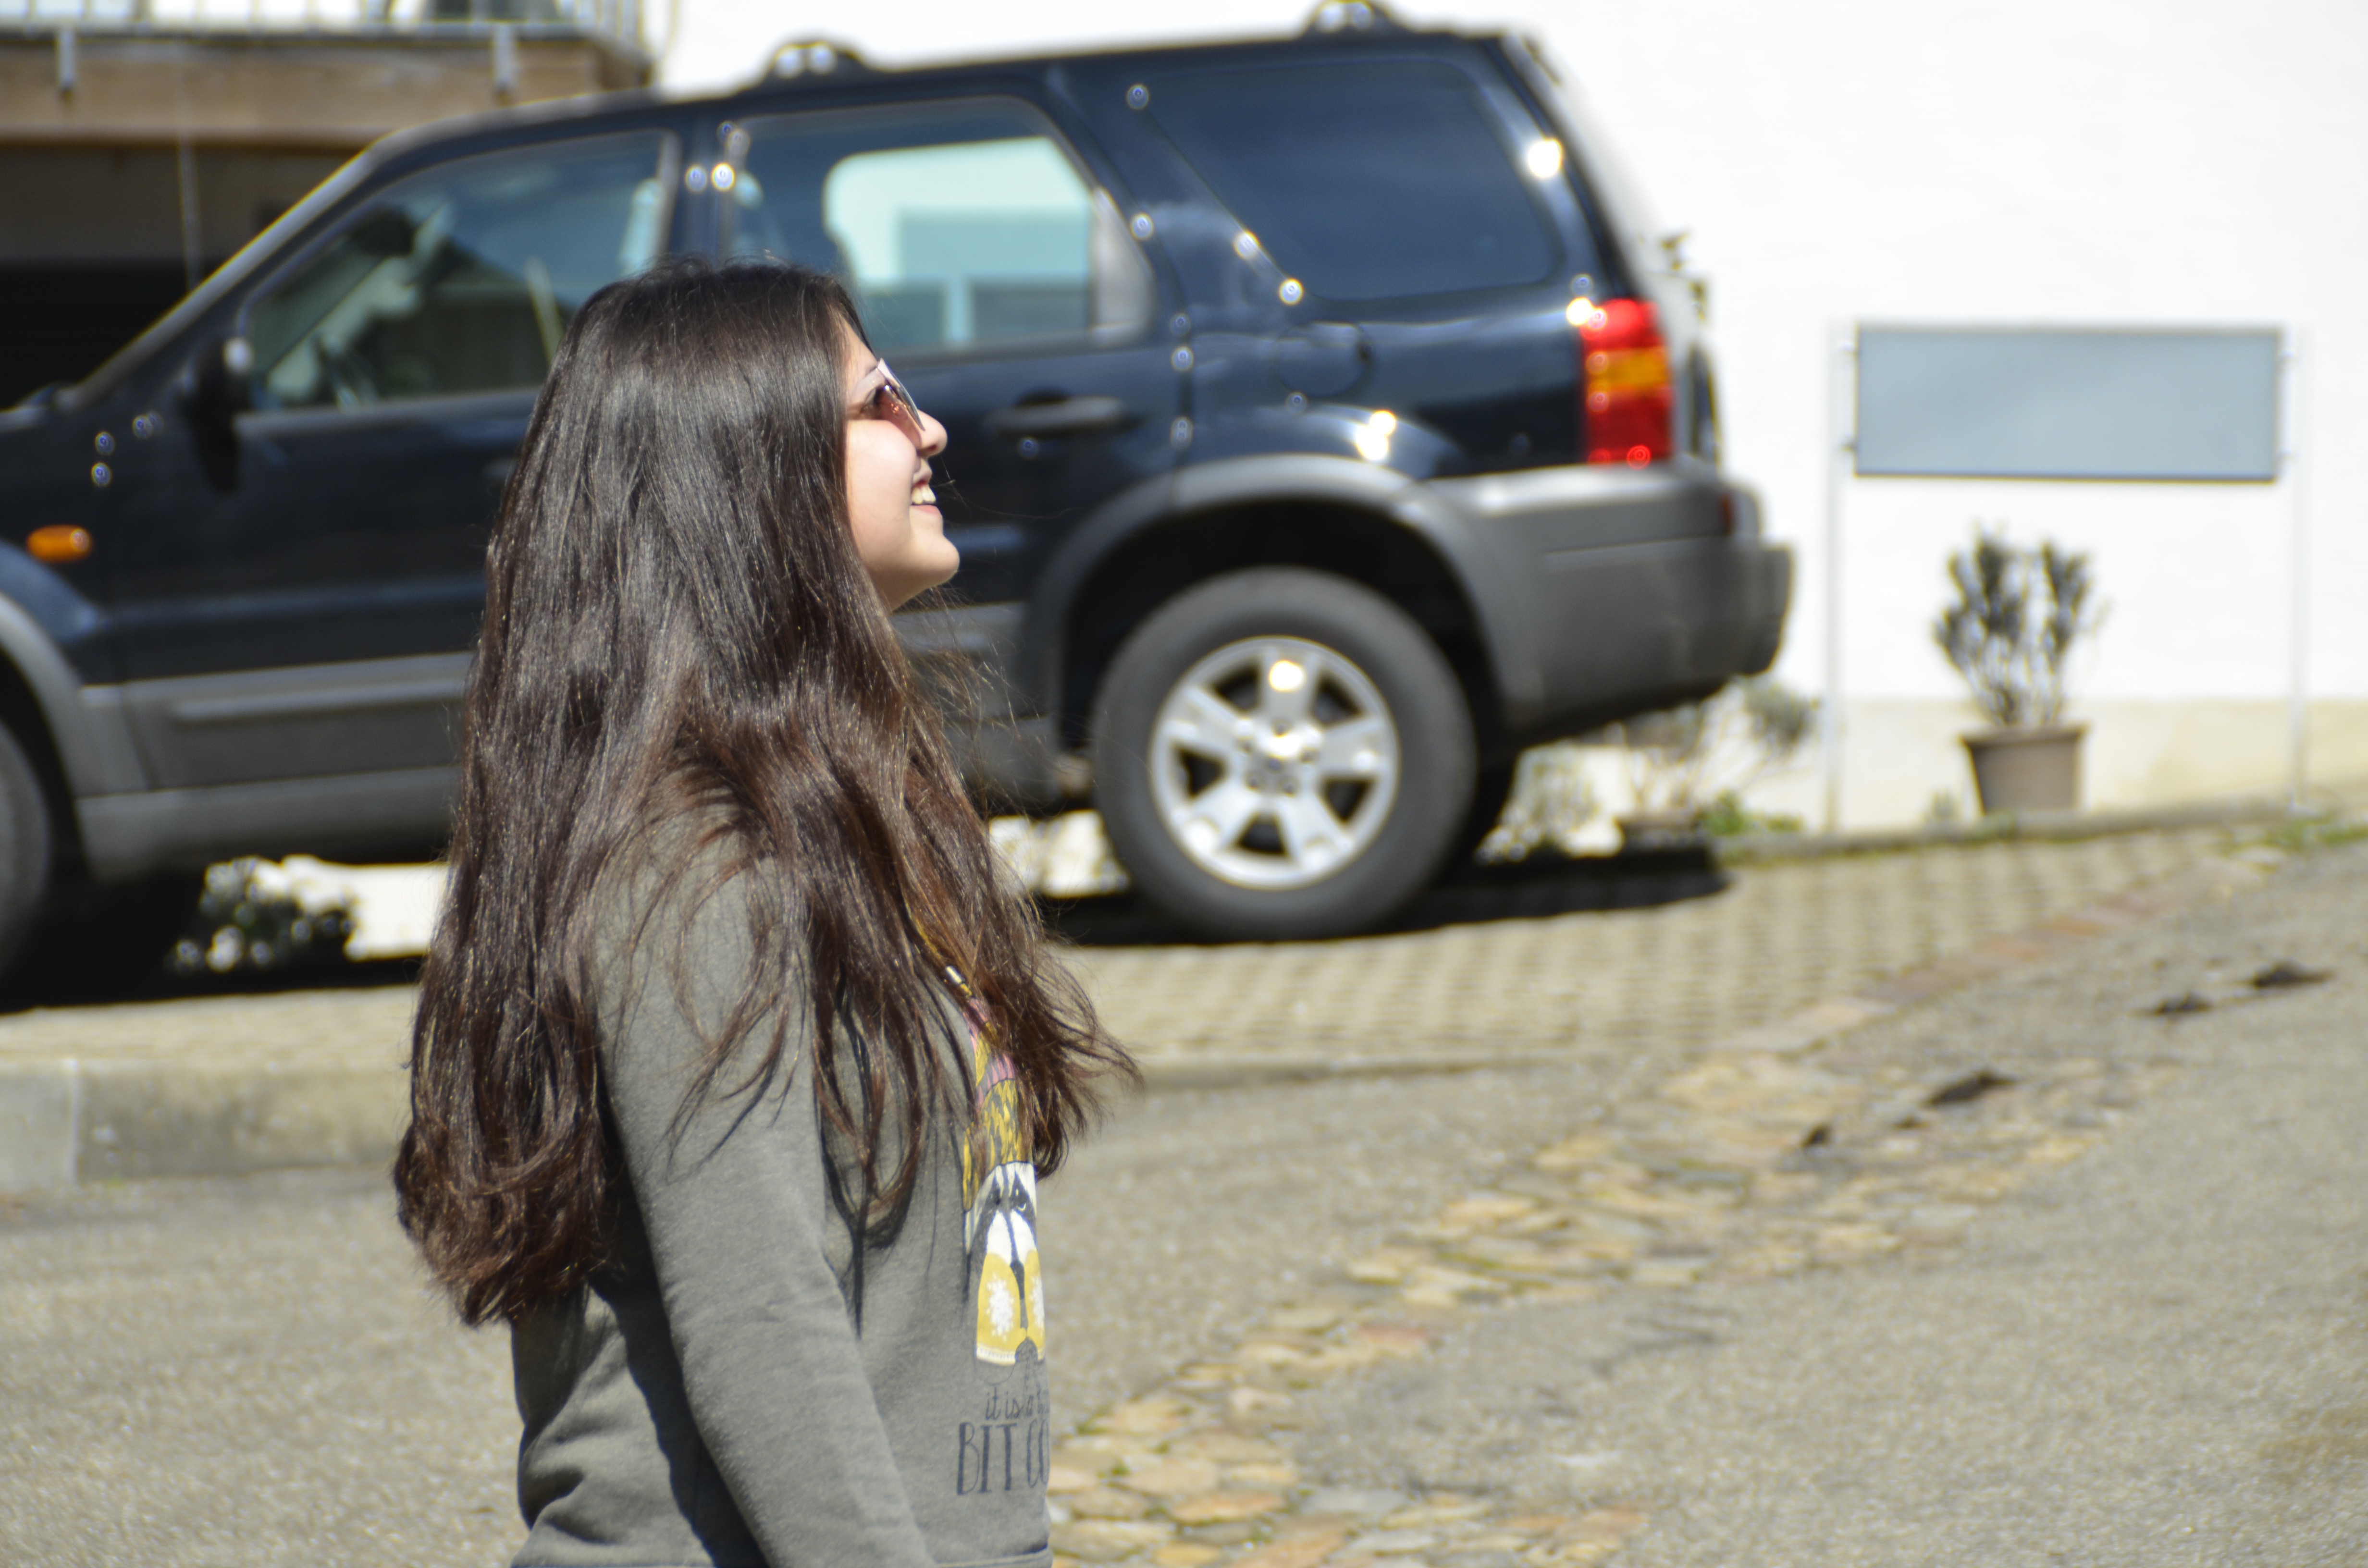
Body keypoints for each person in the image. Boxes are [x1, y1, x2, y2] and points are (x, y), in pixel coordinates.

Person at [394, 258, 1128, 1568]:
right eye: (878, 401)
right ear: (750, 467)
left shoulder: (843, 817)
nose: (929, 429)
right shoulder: (694, 868)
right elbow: (761, 1322)